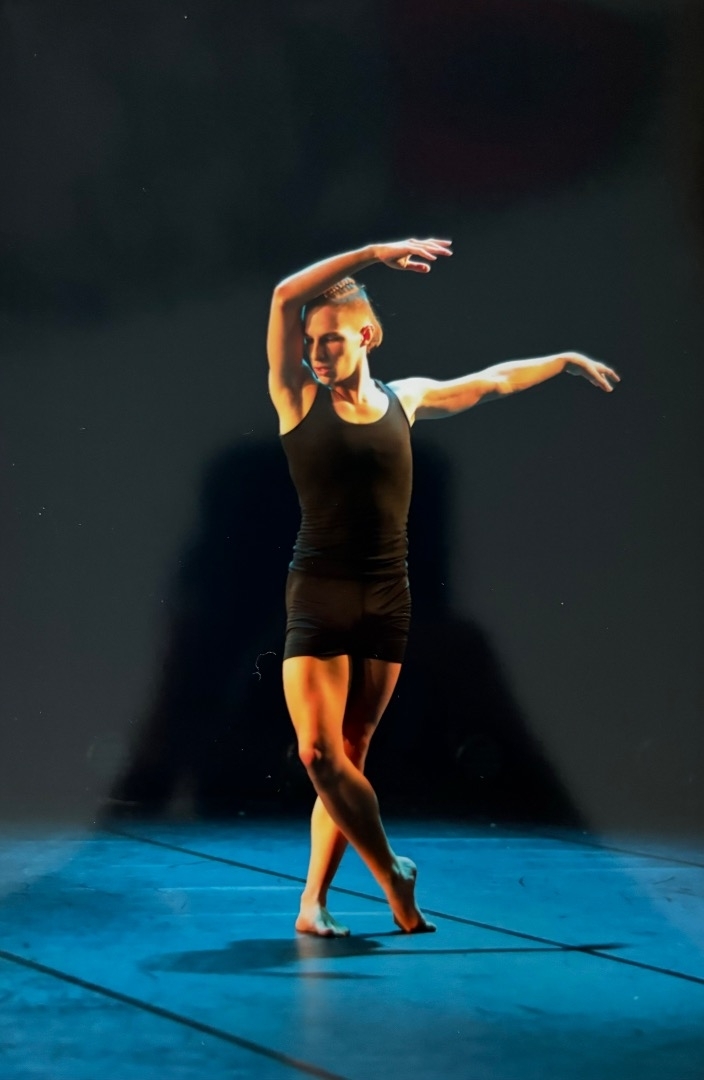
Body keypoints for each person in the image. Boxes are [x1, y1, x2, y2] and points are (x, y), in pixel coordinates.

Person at [266, 238, 619, 937]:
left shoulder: (407, 399)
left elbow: (493, 381)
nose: (316, 354)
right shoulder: (296, 400)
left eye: (330, 340)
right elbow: (283, 296)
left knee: (352, 753)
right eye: (310, 343)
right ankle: (392, 874)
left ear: (366, 336)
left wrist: (562, 361)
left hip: (386, 598)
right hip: (319, 593)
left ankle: (312, 903)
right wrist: (374, 253)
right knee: (317, 755)